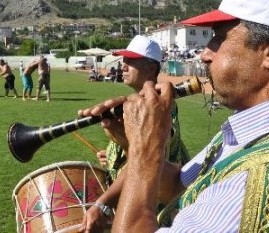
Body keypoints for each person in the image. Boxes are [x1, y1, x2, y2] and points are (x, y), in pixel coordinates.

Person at [78, 0, 269, 232]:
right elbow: (179, 187)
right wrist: (135, 142)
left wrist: (144, 151)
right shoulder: (255, 133)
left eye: (219, 38)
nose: (204, 54)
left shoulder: (261, 179)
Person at [81, 35, 190, 231]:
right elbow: (138, 150)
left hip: (153, 214)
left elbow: (149, 160)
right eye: (124, 60)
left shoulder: (161, 108)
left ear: (151, 68)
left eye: (131, 61)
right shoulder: (136, 105)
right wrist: (115, 155)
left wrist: (101, 203)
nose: (123, 66)